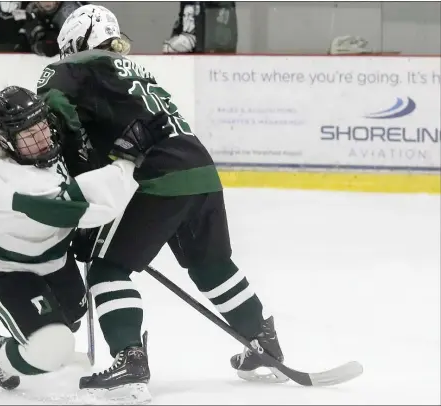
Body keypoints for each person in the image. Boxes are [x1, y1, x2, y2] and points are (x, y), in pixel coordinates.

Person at [35, 4, 285, 404]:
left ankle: (129, 359)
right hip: (201, 170)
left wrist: (81, 185)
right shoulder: (134, 70)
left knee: (108, 269)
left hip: (157, 177)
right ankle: (263, 341)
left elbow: (58, 112)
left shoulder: (72, 67)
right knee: (211, 265)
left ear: (76, 43)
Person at [0, 85, 169, 391]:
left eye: (42, 126)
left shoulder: (34, 150)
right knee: (52, 346)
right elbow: (94, 202)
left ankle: (37, 341)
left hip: (52, 259)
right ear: (8, 142)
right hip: (8, 269)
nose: (42, 138)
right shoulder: (15, 187)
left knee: (71, 317)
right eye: (29, 135)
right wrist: (126, 158)